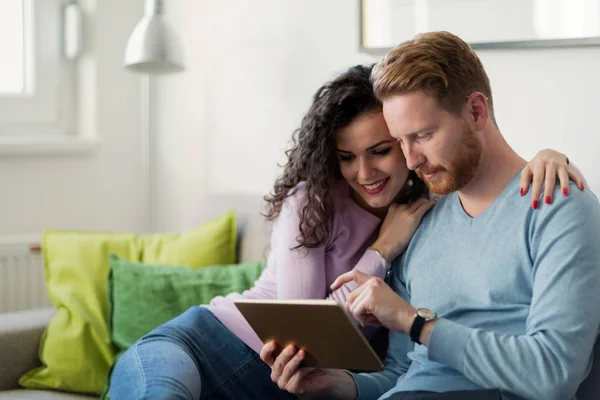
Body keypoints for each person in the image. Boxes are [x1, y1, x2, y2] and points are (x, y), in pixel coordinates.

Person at [110, 61, 584, 399]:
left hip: (293, 382)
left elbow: (485, 172)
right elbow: (305, 335)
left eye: (383, 149)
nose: (364, 172)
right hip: (206, 342)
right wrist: (381, 249)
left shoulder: (433, 206)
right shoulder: (311, 205)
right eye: (346, 157)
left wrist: (549, 157)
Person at [262, 32, 600, 400]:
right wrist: (338, 384)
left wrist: (415, 322)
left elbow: (555, 374)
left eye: (423, 135)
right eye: (400, 141)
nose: (410, 161)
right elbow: (404, 372)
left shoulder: (557, 206)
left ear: (476, 112)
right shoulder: (421, 222)